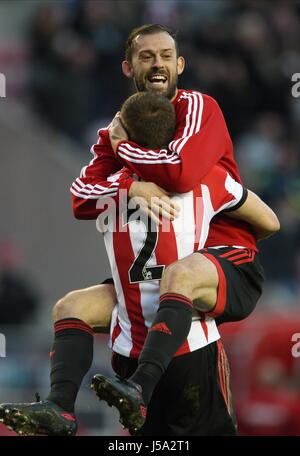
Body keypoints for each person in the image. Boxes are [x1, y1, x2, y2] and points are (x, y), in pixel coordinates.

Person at [0, 91, 279, 436]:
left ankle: (62, 405)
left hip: (133, 338)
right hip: (184, 342)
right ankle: (75, 406)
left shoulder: (111, 185)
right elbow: (269, 221)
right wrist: (210, 244)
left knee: (69, 306)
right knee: (93, 301)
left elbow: (80, 195)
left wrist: (125, 168)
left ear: (124, 135)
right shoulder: (206, 177)